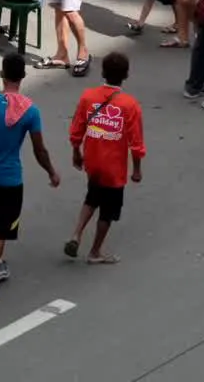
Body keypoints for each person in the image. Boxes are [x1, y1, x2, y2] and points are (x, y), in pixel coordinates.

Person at [0, 54, 60, 304]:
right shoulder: (30, 111)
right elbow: (39, 150)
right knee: (0, 232)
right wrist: (51, 171)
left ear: (2, 74)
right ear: (22, 77)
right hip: (10, 181)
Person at [64, 52, 144, 264]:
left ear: (103, 73)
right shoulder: (130, 105)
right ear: (125, 75)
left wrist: (76, 152)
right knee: (108, 211)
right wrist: (136, 169)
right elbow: (136, 142)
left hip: (92, 160)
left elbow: (77, 128)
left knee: (92, 196)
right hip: (114, 167)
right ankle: (95, 252)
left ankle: (76, 234)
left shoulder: (88, 97)